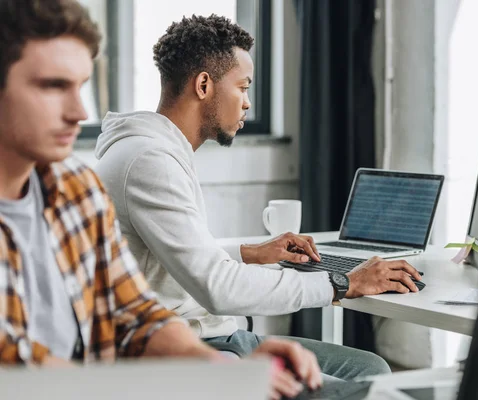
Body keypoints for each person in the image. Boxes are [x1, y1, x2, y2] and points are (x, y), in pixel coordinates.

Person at [0, 1, 322, 398]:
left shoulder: (77, 195)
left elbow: (136, 313)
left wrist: (216, 365)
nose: (78, 112)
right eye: (52, 86)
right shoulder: (144, 160)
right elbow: (17, 368)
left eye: (80, 87)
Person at [94, 14, 423, 381]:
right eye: (243, 87)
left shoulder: (154, 150)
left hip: (219, 336)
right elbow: (218, 288)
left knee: (370, 368)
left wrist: (250, 254)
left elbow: (173, 259)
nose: (248, 103)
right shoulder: (149, 161)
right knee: (367, 386)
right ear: (204, 85)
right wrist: (343, 282)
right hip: (196, 350)